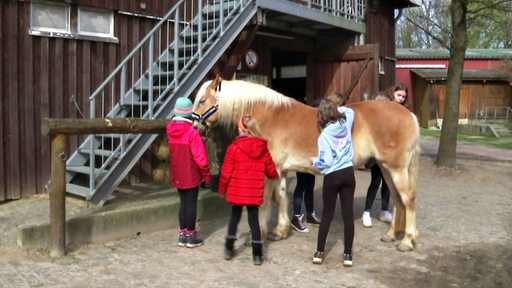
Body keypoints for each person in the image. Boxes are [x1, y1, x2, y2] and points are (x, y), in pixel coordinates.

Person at [218, 114, 279, 266]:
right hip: (253, 193)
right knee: (253, 221)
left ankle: (228, 248)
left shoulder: (233, 148)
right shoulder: (263, 149)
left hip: (236, 192)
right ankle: (257, 255)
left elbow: (226, 172)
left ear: (241, 130)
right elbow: (271, 171)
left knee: (234, 218)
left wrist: (221, 189)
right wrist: (275, 175)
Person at [310, 98, 355, 267]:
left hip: (333, 176)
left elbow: (326, 161)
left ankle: (319, 252)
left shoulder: (325, 135)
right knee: (348, 215)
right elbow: (351, 111)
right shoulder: (346, 121)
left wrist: (314, 161)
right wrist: (337, 107)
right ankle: (348, 254)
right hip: (349, 173)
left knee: (327, 214)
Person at [361, 83, 409, 227]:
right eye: (399, 95)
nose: (401, 98)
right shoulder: (383, 107)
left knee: (388, 183)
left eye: (403, 96)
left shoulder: (402, 111)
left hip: (393, 152)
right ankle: (366, 212)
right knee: (375, 181)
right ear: (392, 93)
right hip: (378, 151)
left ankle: (384, 210)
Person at [166, 97, 211, 248]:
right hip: (191, 175)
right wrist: (206, 176)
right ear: (189, 114)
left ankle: (182, 235)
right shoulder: (192, 133)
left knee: (183, 203)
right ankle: (191, 236)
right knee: (191, 204)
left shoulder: (170, 131)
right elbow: (201, 160)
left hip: (178, 174)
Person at [290, 100, 322, 233]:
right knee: (301, 186)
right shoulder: (302, 124)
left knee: (310, 186)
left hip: (311, 159)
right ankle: (296, 217)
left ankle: (310, 214)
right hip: (302, 159)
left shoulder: (316, 124)